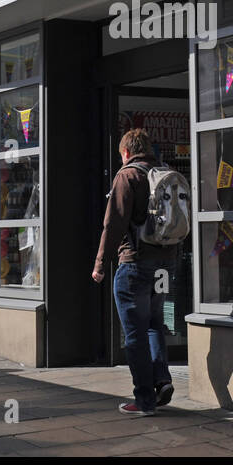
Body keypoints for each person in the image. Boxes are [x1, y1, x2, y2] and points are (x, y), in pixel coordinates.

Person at [92, 128, 174, 416]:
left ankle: (144, 401)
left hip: (135, 265)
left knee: (135, 333)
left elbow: (113, 223)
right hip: (165, 265)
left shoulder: (127, 175)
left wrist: (101, 264)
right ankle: (162, 380)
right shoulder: (165, 174)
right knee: (154, 324)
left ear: (125, 152)